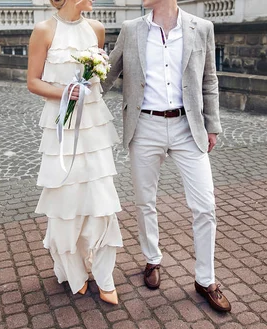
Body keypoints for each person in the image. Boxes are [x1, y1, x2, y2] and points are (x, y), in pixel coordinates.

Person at [101, 0, 231, 312]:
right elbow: (107, 76)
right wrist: (81, 81)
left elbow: (208, 81)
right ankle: (152, 260)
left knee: (205, 206)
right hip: (144, 126)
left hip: (189, 127)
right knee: (145, 200)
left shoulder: (202, 28)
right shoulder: (131, 30)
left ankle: (205, 279)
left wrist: (212, 125)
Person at [27, 0, 122, 305]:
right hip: (62, 130)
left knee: (101, 199)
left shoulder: (97, 29)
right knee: (67, 201)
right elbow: (33, 81)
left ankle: (104, 274)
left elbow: (99, 77)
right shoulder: (43, 30)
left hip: (94, 127)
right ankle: (74, 271)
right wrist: (65, 92)